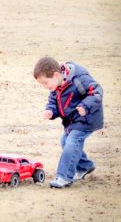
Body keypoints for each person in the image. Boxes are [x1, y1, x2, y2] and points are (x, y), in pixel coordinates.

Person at [33, 57, 103, 188]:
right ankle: (84, 166)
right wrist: (51, 111)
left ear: (56, 75)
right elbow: (54, 101)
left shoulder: (79, 78)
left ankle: (64, 177)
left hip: (87, 118)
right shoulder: (56, 84)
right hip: (73, 120)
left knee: (72, 142)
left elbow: (97, 92)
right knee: (65, 142)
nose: (45, 87)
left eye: (45, 83)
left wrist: (85, 106)